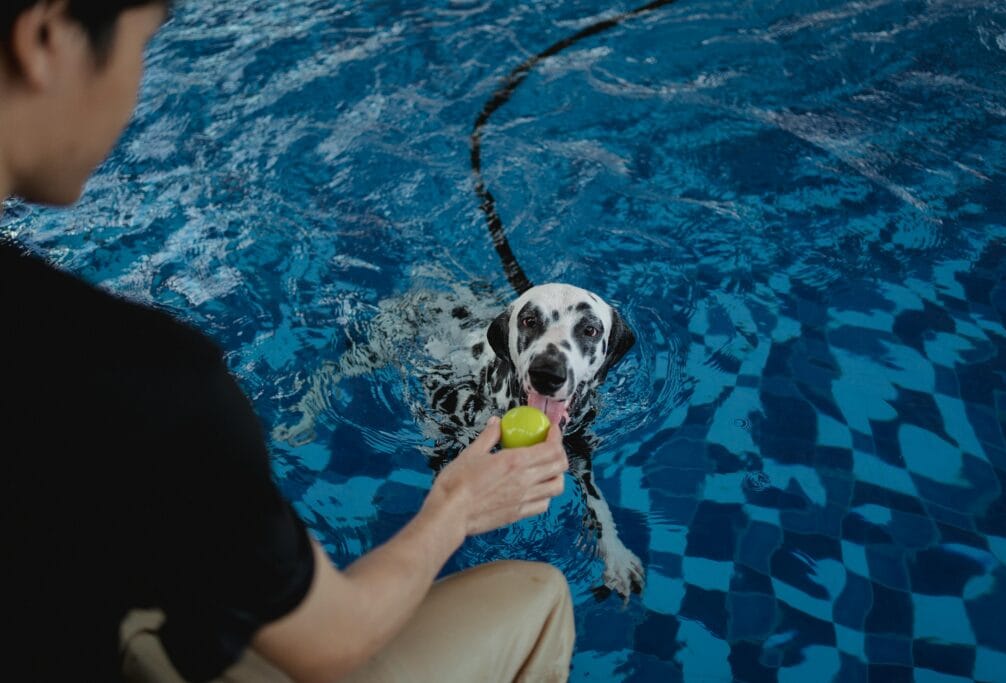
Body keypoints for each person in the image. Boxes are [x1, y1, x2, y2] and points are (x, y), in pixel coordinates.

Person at [0, 2, 575, 681]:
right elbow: (331, 643)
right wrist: (458, 505)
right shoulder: (142, 379)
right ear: (47, 37)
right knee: (539, 596)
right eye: (142, 43)